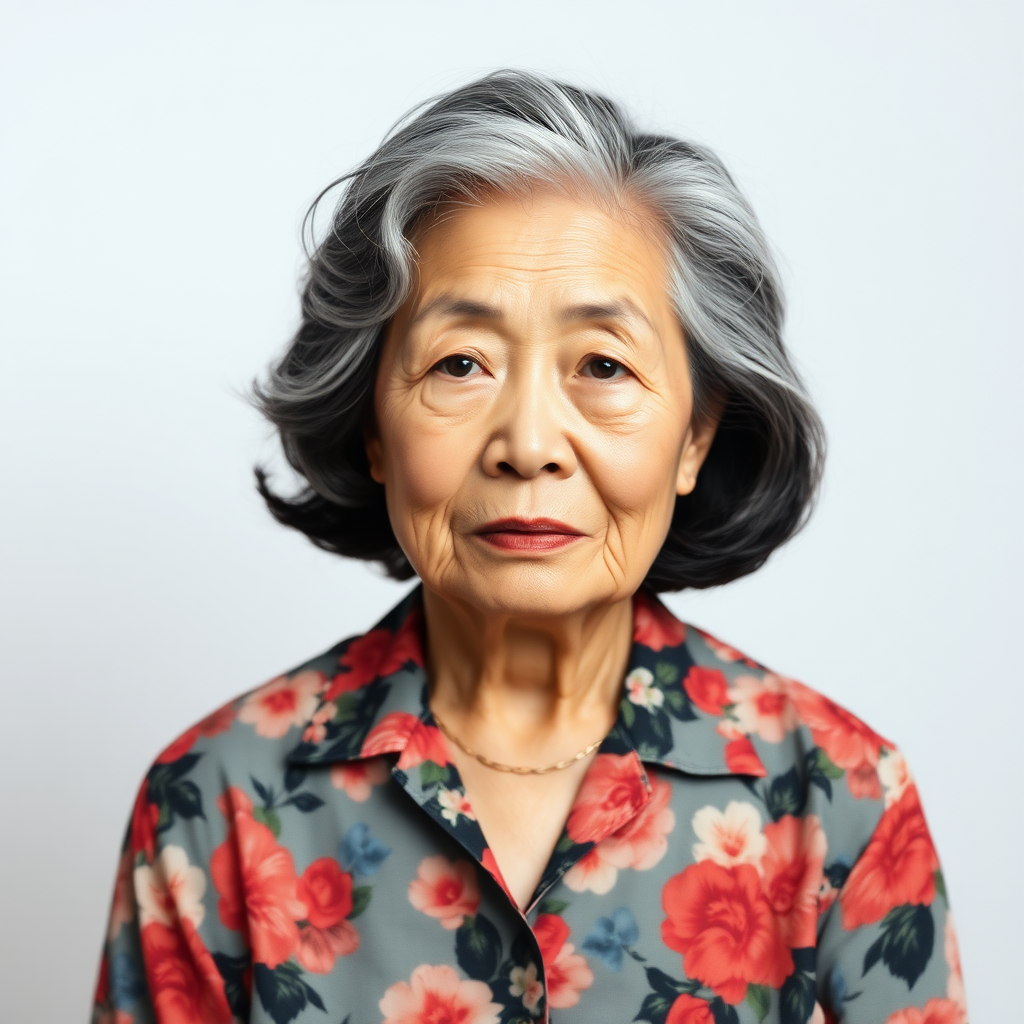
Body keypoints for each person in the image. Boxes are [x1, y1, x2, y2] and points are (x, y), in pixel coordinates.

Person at [92, 70, 967, 1024]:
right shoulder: (211, 805)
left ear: (697, 436)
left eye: (603, 365)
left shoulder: (839, 801)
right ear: (374, 425)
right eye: (460, 363)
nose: (529, 445)